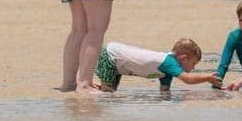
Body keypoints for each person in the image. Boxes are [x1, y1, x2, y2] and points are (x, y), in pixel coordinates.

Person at [92, 39, 221, 92]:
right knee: (107, 94)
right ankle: (85, 87)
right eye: (193, 64)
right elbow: (187, 79)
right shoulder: (169, 62)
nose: (193, 68)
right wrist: (208, 78)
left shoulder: (167, 72)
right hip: (111, 56)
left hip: (119, 64)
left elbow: (164, 93)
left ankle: (88, 85)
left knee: (109, 92)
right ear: (183, 58)